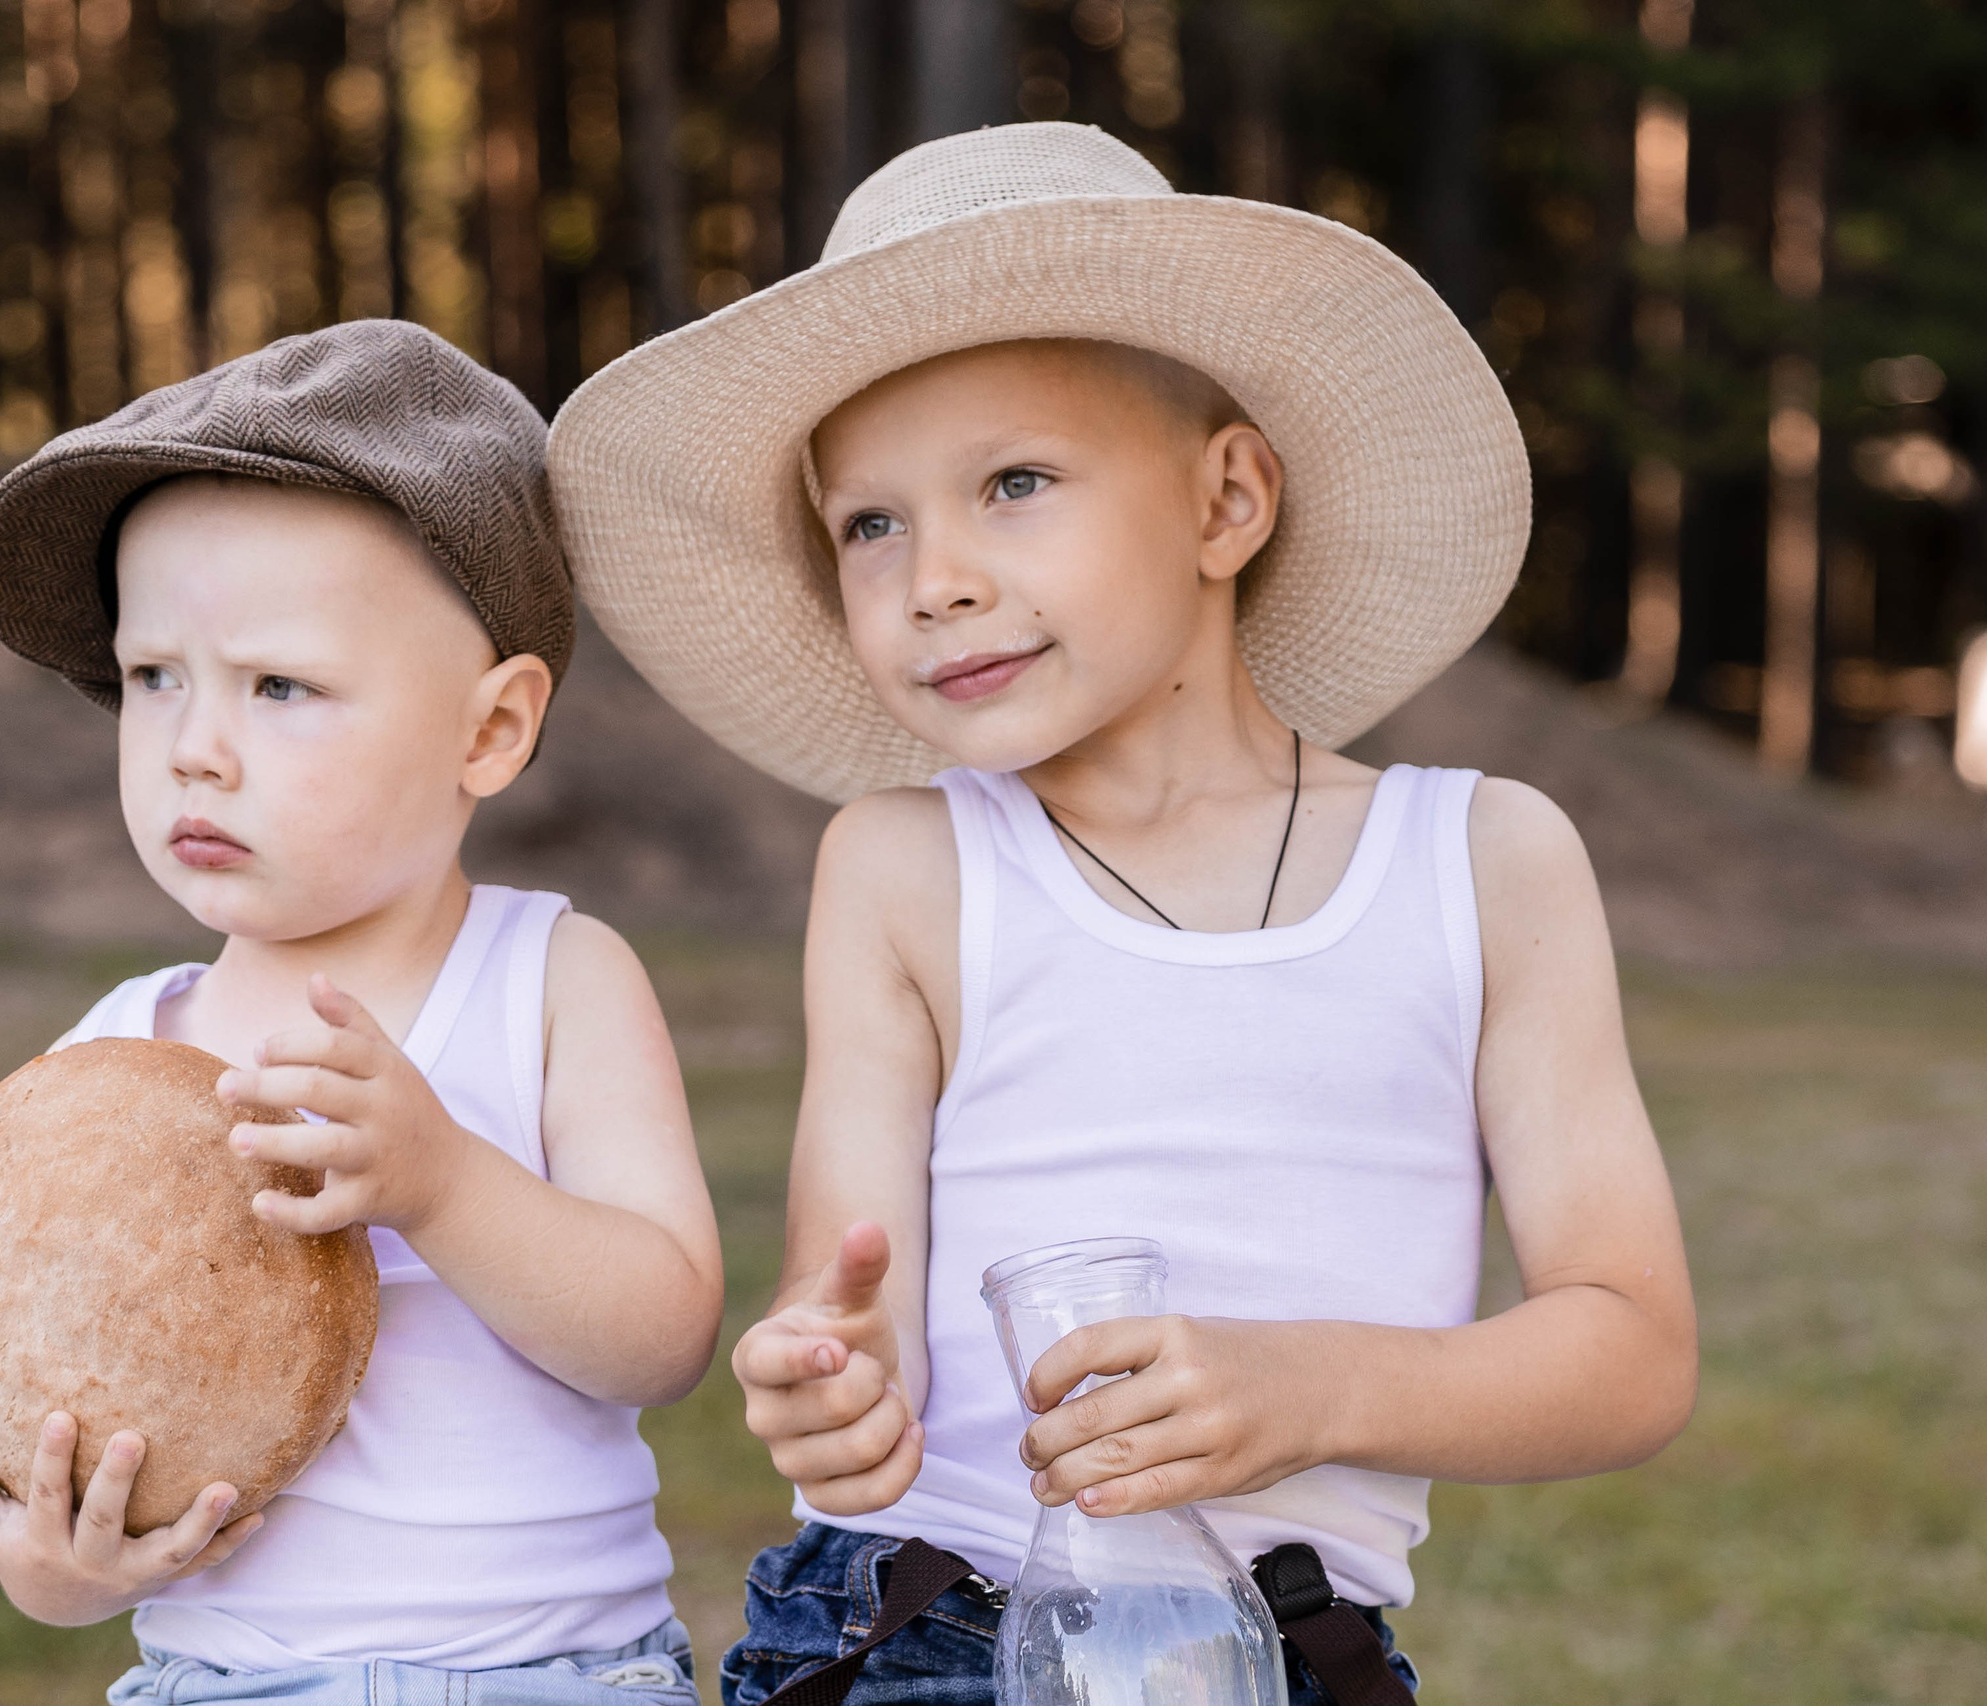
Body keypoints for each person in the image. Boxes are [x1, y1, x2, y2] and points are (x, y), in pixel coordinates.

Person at [547, 124, 1698, 1705]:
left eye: (1013, 483)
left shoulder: (1483, 861)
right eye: (870, 523)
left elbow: (1631, 1348)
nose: (933, 579)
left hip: (1290, 1650)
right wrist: (831, 1376)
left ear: (1227, 500)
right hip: (928, 1622)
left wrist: (1314, 1384)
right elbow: (846, 1286)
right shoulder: (905, 866)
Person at [0, 321, 724, 1706]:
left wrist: (445, 1184)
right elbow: (39, 1457)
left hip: (549, 1679)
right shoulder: (109, 1072)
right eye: (154, 676)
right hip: (223, 1683)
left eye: (280, 686)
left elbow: (663, 1338)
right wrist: (58, 1569)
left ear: (489, 729)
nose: (195, 748)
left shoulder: (553, 979)